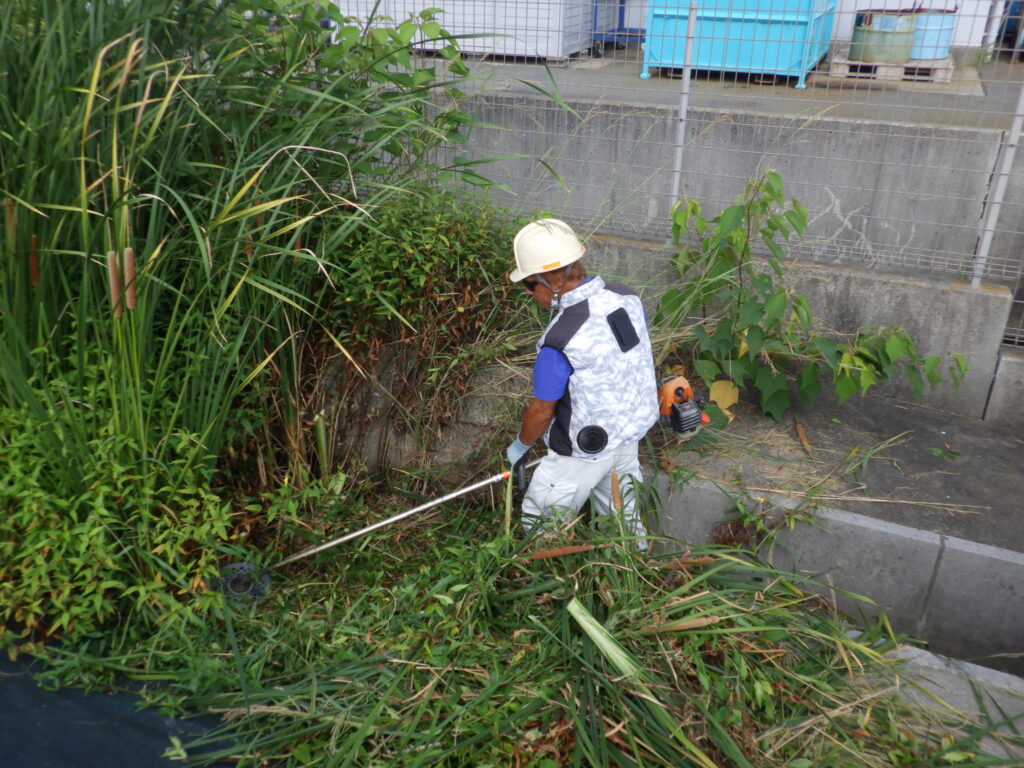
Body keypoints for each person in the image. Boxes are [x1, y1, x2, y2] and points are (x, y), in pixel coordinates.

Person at [505, 218, 660, 547]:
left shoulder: (560, 339)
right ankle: (637, 573)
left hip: (578, 454)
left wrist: (521, 446)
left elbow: (542, 411)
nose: (530, 294)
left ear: (555, 279)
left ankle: (542, 575)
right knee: (624, 529)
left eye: (530, 285)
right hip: (626, 439)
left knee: (541, 526)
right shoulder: (626, 298)